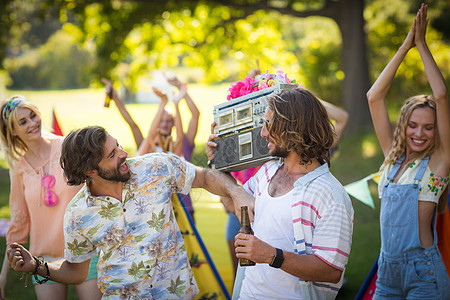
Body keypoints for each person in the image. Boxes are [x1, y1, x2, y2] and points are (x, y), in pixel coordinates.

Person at [6, 125, 254, 299]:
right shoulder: (78, 214)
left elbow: (204, 176)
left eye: (118, 146)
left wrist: (237, 192)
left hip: (175, 294)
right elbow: (77, 271)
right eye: (112, 154)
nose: (124, 154)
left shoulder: (155, 166)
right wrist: (38, 266)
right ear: (90, 171)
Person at [207, 87, 354, 299]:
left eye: (268, 124)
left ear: (292, 128)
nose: (263, 133)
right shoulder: (269, 170)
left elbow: (330, 270)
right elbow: (232, 205)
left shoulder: (330, 195)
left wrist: (270, 255)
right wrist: (216, 162)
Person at [366, 4, 450, 298]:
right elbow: (374, 96)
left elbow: (440, 94)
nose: (419, 133)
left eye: (429, 127)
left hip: (424, 274)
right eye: (413, 125)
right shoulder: (392, 157)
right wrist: (405, 46)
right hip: (387, 273)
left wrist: (422, 44)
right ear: (404, 125)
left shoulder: (439, 163)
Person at [0, 96, 101, 299]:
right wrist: (3, 276)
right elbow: (19, 221)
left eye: (33, 116)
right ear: (12, 131)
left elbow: (97, 187)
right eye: (23, 122)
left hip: (85, 251)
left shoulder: (67, 146)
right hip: (43, 260)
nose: (32, 123)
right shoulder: (18, 167)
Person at [103, 76, 200, 218]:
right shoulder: (147, 147)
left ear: (173, 123)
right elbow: (134, 125)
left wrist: (177, 100)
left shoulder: (179, 144)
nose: (164, 125)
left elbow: (194, 118)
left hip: (183, 208)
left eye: (168, 121)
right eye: (161, 121)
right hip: (156, 209)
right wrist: (116, 98)